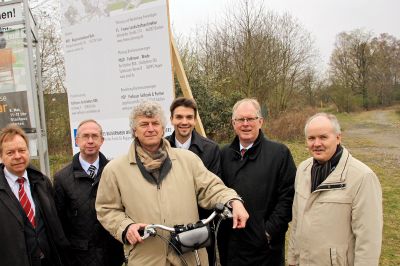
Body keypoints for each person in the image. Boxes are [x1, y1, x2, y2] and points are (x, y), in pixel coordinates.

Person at [95, 101, 249, 266]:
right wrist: (125, 227)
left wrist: (233, 201)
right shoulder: (115, 170)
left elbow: (212, 188)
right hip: (145, 258)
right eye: (144, 124)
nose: (151, 128)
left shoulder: (188, 160)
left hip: (189, 257)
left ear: (163, 128)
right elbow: (106, 209)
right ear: (134, 131)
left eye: (155, 123)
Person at [287, 113, 383, 266]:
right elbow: (297, 221)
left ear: (338, 138)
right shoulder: (303, 169)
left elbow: (368, 239)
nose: (316, 143)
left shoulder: (362, 177)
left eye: (323, 137)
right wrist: (292, 258)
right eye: (311, 138)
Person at [218, 98, 296, 266]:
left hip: (265, 249)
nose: (245, 124)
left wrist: (268, 232)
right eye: (240, 119)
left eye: (250, 119)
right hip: (231, 247)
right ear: (233, 123)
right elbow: (216, 190)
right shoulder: (223, 154)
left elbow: (288, 197)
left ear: (260, 122)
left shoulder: (279, 153)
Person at [53, 119, 124, 266]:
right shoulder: (61, 178)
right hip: (79, 257)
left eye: (94, 136)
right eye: (85, 136)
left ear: (102, 140)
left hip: (112, 254)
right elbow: (60, 223)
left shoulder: (116, 171)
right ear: (77, 140)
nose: (90, 141)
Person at [0, 123, 69, 266]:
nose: (17, 156)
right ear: (1, 156)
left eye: (22, 150)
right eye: (10, 152)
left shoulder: (42, 182)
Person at [166, 97, 221, 264]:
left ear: (195, 119)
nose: (184, 122)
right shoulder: (162, 147)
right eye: (179, 117)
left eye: (189, 117)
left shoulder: (211, 149)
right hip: (169, 225)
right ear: (171, 119)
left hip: (200, 225)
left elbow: (210, 189)